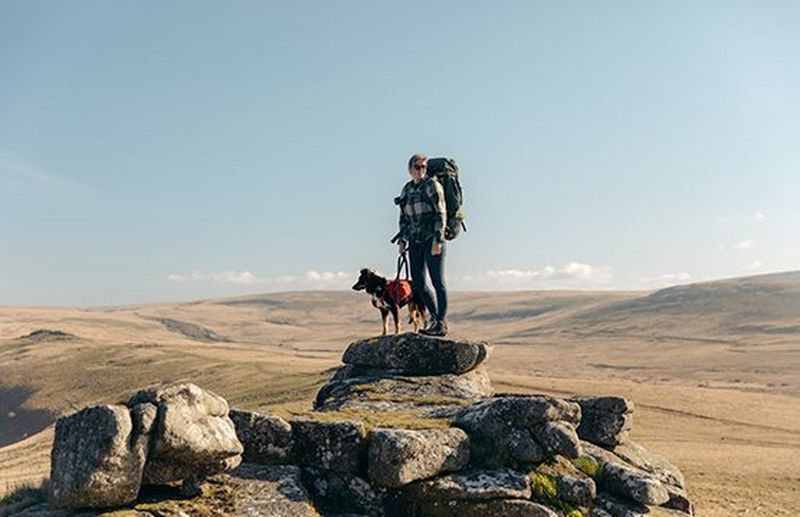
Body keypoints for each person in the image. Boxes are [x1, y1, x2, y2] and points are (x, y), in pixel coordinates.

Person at [395, 153, 449, 336]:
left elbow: (441, 213)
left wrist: (438, 240)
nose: (421, 170)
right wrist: (402, 241)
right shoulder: (406, 190)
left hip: (431, 240)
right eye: (418, 167)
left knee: (437, 281)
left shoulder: (432, 185)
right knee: (418, 282)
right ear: (410, 169)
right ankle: (434, 318)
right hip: (414, 241)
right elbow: (403, 218)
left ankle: (441, 322)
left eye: (424, 167)